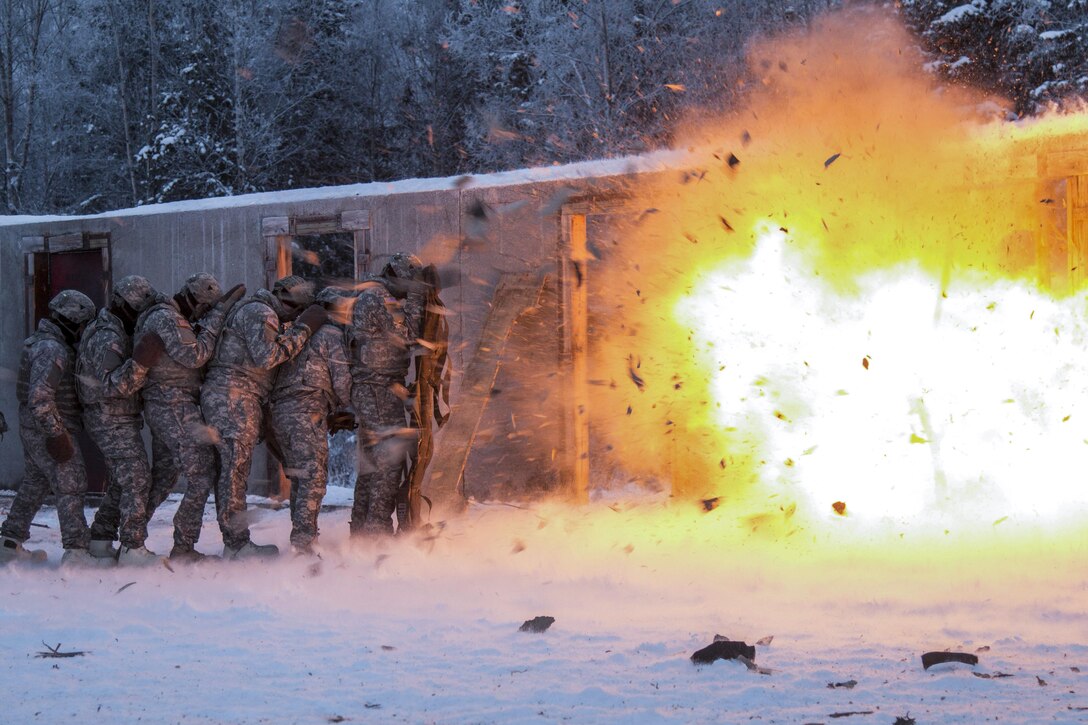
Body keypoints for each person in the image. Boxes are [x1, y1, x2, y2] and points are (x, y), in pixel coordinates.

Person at [201, 275, 326, 559]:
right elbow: (267, 357)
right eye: (295, 311)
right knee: (234, 471)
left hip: (234, 396)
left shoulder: (253, 309)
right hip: (233, 397)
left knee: (232, 470)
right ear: (287, 300)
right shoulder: (261, 312)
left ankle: (235, 542)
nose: (293, 317)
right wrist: (304, 330)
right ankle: (236, 545)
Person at [137, 273, 243, 562]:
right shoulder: (167, 318)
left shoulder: (171, 317)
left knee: (163, 478)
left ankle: (129, 540)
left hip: (169, 404)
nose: (205, 313)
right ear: (195, 300)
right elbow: (195, 356)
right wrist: (216, 318)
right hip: (172, 403)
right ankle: (182, 547)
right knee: (202, 472)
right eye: (205, 308)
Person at [0, 290, 98, 566]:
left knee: (36, 482)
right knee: (72, 481)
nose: (81, 332)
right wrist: (56, 434)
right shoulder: (52, 349)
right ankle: (77, 551)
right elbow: (40, 397)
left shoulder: (40, 343)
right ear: (72, 320)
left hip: (34, 425)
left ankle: (9, 542)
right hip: (47, 426)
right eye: (81, 325)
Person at [77, 275, 169, 565]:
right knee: (137, 478)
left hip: (114, 417)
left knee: (122, 480)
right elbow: (111, 386)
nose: (138, 316)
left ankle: (101, 538)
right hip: (109, 416)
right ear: (120, 304)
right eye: (135, 310)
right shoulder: (109, 336)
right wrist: (141, 364)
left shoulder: (111, 328)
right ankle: (132, 548)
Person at [267, 287, 354, 555]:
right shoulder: (331, 335)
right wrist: (349, 407)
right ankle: (303, 543)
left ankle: (301, 535)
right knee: (314, 478)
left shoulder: (296, 332)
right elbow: (342, 382)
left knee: (300, 476)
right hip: (306, 411)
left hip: (280, 413)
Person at [349, 254, 426, 537]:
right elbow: (408, 335)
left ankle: (362, 531)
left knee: (372, 463)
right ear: (395, 275)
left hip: (374, 388)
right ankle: (377, 530)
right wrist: (417, 300)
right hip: (378, 389)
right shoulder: (380, 298)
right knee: (389, 462)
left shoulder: (373, 294)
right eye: (408, 284)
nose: (408, 290)